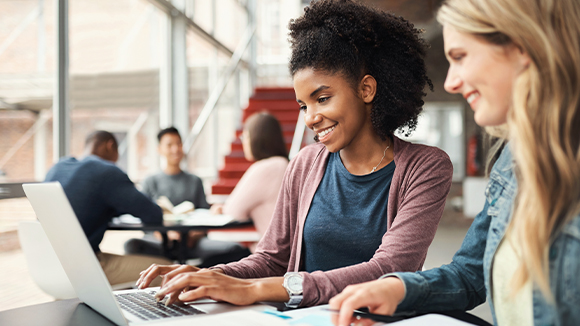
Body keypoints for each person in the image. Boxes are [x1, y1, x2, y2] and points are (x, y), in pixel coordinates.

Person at [136, 0, 453, 308]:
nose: (310, 117)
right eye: (304, 105)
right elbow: (272, 257)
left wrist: (259, 289)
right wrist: (210, 276)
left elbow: (389, 268)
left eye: (323, 98)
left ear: (366, 89)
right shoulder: (304, 163)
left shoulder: (426, 167)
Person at [328, 0, 580, 325]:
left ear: (524, 45)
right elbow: (470, 274)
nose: (450, 82)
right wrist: (399, 290)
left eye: (460, 57)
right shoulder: (512, 160)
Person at [44, 130, 171, 286]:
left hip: (49, 266)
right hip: (85, 268)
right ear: (110, 146)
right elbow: (153, 214)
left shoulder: (57, 168)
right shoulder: (106, 172)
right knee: (167, 269)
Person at [124, 127, 251, 267]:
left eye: (178, 144)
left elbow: (206, 217)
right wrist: (164, 235)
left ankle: (197, 274)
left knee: (235, 249)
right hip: (159, 242)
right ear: (159, 149)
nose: (175, 149)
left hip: (192, 243)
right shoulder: (150, 181)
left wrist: (193, 235)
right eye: (169, 145)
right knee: (132, 245)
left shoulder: (195, 181)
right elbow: (144, 221)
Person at [210, 112, 289, 251]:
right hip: (289, 251)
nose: (243, 142)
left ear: (257, 138)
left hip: (274, 255)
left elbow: (233, 212)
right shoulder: (284, 164)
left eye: (245, 136)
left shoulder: (265, 168)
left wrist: (222, 209)